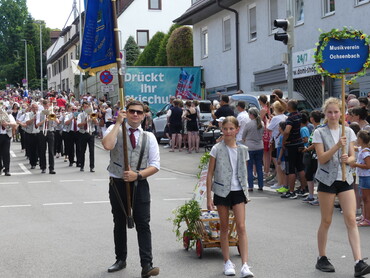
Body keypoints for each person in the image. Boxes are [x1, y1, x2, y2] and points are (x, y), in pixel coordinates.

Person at [313, 97, 370, 277]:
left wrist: (349, 159)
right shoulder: (319, 132)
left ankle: (358, 262)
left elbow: (353, 157)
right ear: (325, 113)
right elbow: (321, 158)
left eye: (336, 112)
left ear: (341, 113)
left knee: (351, 219)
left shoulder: (348, 132)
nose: (333, 115)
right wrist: (337, 146)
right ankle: (322, 257)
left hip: (345, 179)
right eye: (329, 112)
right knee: (327, 220)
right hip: (326, 180)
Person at [102, 100, 160, 277]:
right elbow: (107, 145)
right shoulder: (115, 130)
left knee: (143, 223)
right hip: (117, 183)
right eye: (132, 111)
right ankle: (120, 259)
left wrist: (138, 175)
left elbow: (155, 165)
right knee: (119, 222)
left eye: (139, 112)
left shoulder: (149, 137)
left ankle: (147, 264)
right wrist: (118, 123)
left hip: (139, 183)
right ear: (126, 113)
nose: (135, 115)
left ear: (144, 116)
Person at [206, 116, 254, 278]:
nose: (228, 132)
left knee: (241, 226)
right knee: (224, 227)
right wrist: (208, 198)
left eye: (231, 129)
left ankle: (245, 265)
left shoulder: (243, 150)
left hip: (238, 190)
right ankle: (227, 261)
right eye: (225, 129)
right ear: (222, 129)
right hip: (221, 191)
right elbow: (210, 173)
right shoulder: (216, 149)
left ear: (237, 130)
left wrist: (246, 191)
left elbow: (244, 172)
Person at [281, 99, 307, 199]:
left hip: (291, 144)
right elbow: (287, 106)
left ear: (289, 107)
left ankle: (291, 191)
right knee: (300, 167)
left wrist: (284, 141)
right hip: (299, 143)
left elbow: (287, 131)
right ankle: (303, 188)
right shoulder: (299, 115)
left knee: (291, 169)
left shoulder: (290, 118)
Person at [351, 130, 370, 227]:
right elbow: (355, 148)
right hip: (363, 177)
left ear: (361, 139)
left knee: (366, 199)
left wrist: (355, 164)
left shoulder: (365, 152)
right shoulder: (362, 149)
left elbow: (368, 165)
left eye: (357, 138)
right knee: (364, 198)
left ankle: (367, 219)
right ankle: (364, 216)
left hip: (366, 177)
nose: (356, 140)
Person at [242, 107, 264, 191]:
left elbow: (243, 136)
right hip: (259, 146)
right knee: (259, 166)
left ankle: (250, 186)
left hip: (250, 147)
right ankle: (260, 185)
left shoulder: (248, 124)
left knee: (249, 167)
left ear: (251, 115)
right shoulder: (261, 123)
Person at [77, 101, 97, 172]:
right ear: (83, 107)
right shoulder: (80, 115)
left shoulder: (92, 114)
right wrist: (86, 121)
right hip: (83, 133)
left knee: (92, 151)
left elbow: (96, 123)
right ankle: (82, 165)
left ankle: (92, 166)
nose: (86, 108)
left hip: (91, 132)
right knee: (82, 150)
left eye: (87, 106)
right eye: (84, 107)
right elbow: (78, 125)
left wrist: (93, 118)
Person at [0, 111, 17, 176]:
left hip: (6, 135)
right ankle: (1, 167)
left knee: (6, 153)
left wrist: (7, 123)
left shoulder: (9, 116)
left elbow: (15, 124)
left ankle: (7, 170)